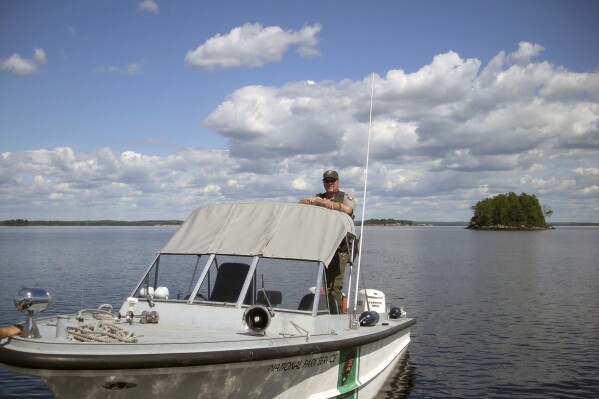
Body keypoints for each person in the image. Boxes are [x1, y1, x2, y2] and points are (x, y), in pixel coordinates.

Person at [298, 170, 355, 313]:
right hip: (325, 247)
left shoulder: (345, 197)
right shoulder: (319, 197)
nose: (329, 183)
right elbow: (300, 203)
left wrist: (326, 204)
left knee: (335, 285)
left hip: (341, 248)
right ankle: (327, 312)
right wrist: (316, 201)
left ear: (338, 182)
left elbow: (348, 209)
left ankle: (336, 317)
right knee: (325, 284)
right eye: (327, 181)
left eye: (332, 181)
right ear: (323, 183)